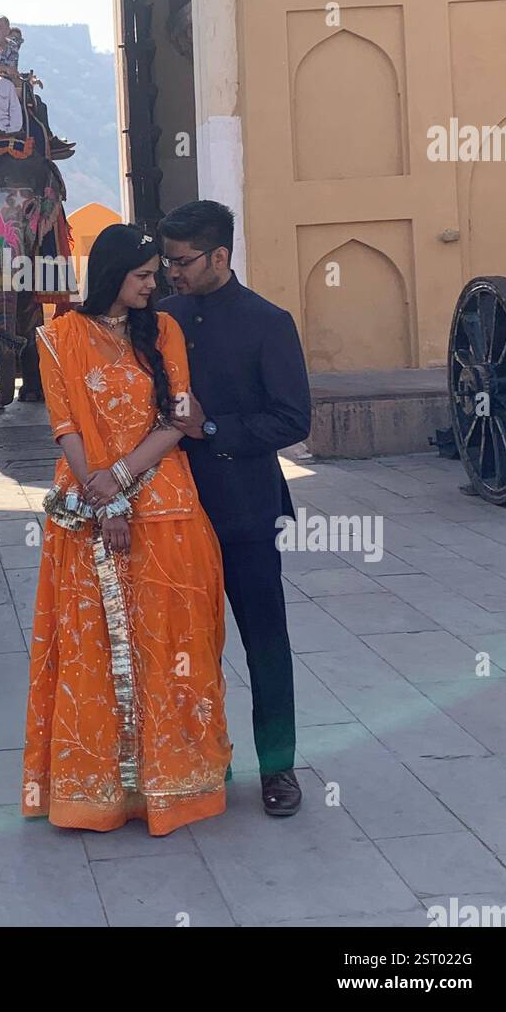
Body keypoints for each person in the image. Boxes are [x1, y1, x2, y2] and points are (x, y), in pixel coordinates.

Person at [22, 223, 231, 835]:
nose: (155, 284)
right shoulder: (58, 337)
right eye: (142, 276)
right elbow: (66, 427)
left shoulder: (162, 330)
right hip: (86, 512)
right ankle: (99, 791)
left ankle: (174, 782)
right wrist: (101, 497)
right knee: (91, 647)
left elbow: (179, 417)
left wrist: (120, 478)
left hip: (163, 503)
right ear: (113, 276)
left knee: (169, 640)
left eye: (156, 275)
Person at [156, 200, 312, 817]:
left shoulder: (267, 322)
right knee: (186, 645)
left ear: (221, 255)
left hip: (246, 511)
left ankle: (278, 770)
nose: (173, 273)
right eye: (166, 262)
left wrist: (212, 428)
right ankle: (203, 763)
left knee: (264, 642)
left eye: (183, 262)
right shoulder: (161, 317)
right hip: (171, 511)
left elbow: (292, 418)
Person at [0, 15, 75, 160]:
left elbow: (12, 72)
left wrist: (24, 79)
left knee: (37, 103)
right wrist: (3, 69)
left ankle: (48, 141)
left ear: (6, 31)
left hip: (8, 88)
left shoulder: (12, 47)